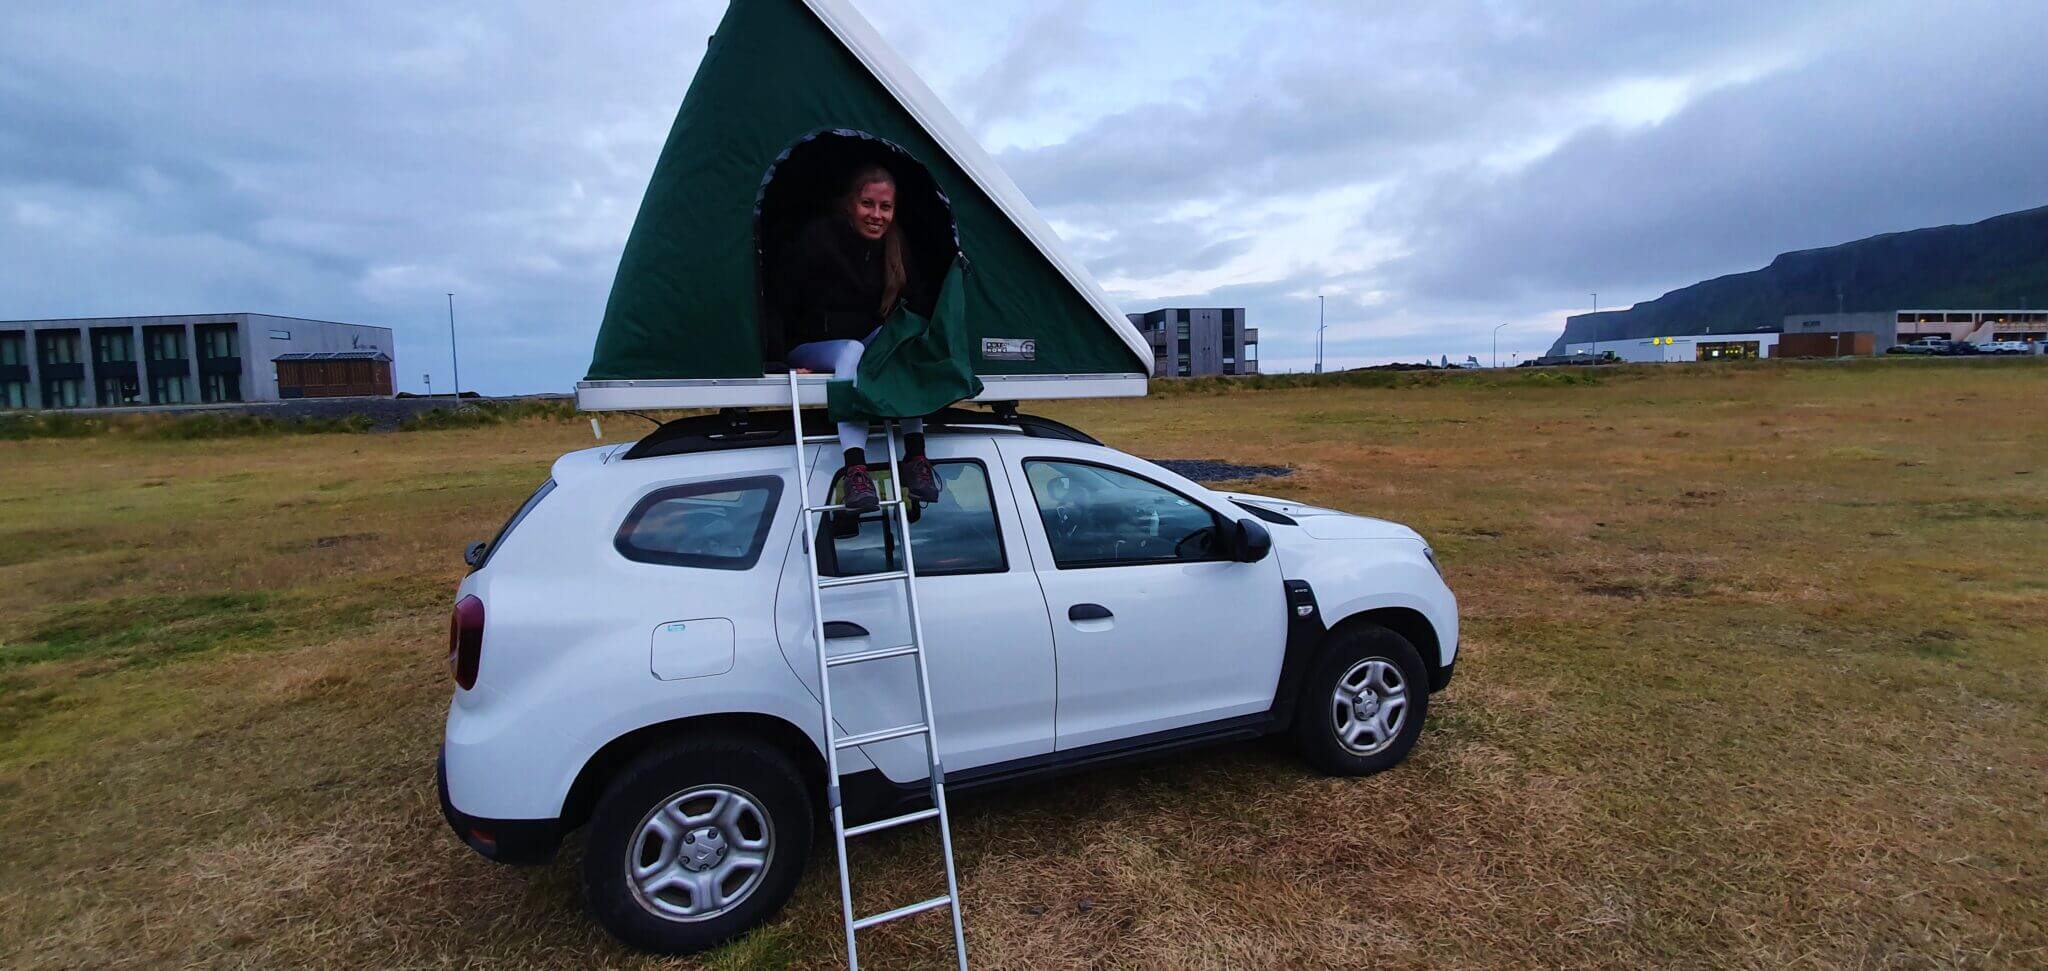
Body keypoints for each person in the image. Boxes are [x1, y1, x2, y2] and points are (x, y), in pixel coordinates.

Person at [768, 165, 942, 513]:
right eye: (867, 204)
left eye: (885, 207)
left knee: (901, 342)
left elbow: (918, 303)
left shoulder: (895, 247)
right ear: (849, 204)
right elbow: (778, 299)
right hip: (810, 348)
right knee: (852, 349)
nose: (876, 215)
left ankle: (916, 456)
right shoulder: (818, 240)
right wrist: (773, 360)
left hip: (863, 345)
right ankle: (855, 470)